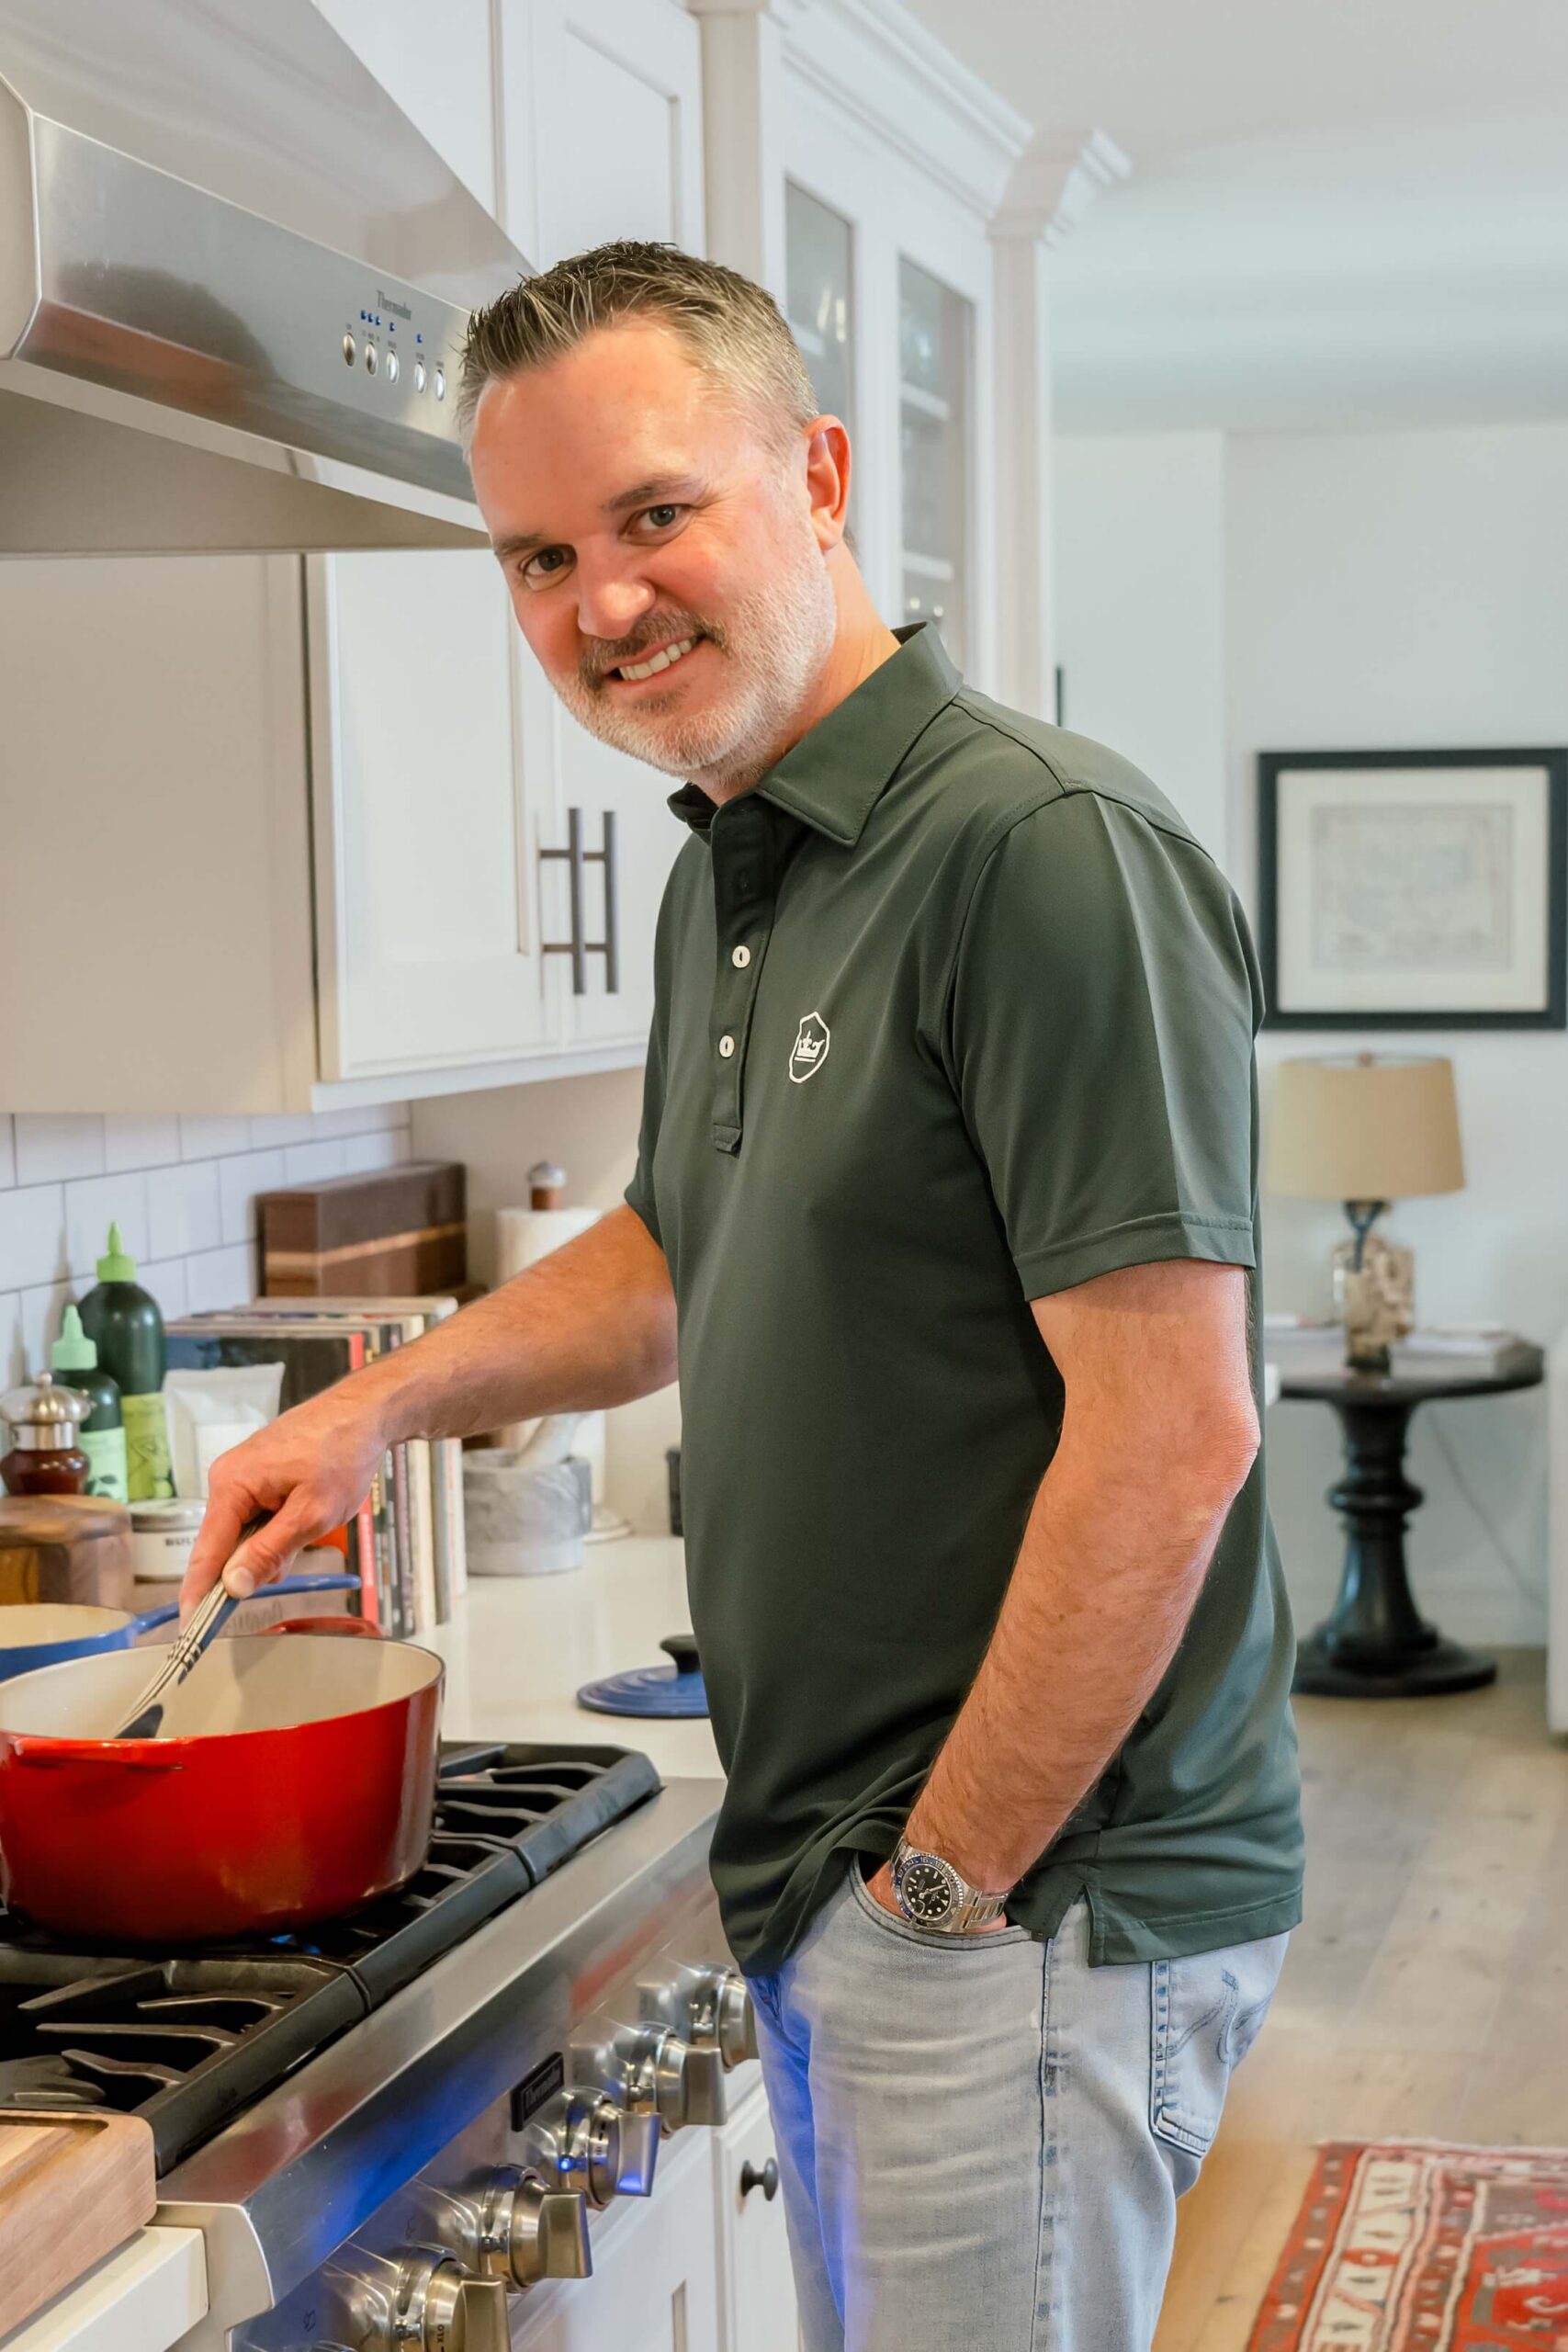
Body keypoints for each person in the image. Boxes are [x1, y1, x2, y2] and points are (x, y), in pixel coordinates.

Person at [183, 241, 1303, 2352]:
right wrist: (372, 1406)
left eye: (649, 515)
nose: (597, 604)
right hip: (857, 1883)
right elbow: (684, 1249)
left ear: (813, 473)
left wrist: (942, 1893)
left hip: (1027, 1891)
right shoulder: (738, 857)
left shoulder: (1034, 852)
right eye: (535, 555)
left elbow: (1174, 1430)